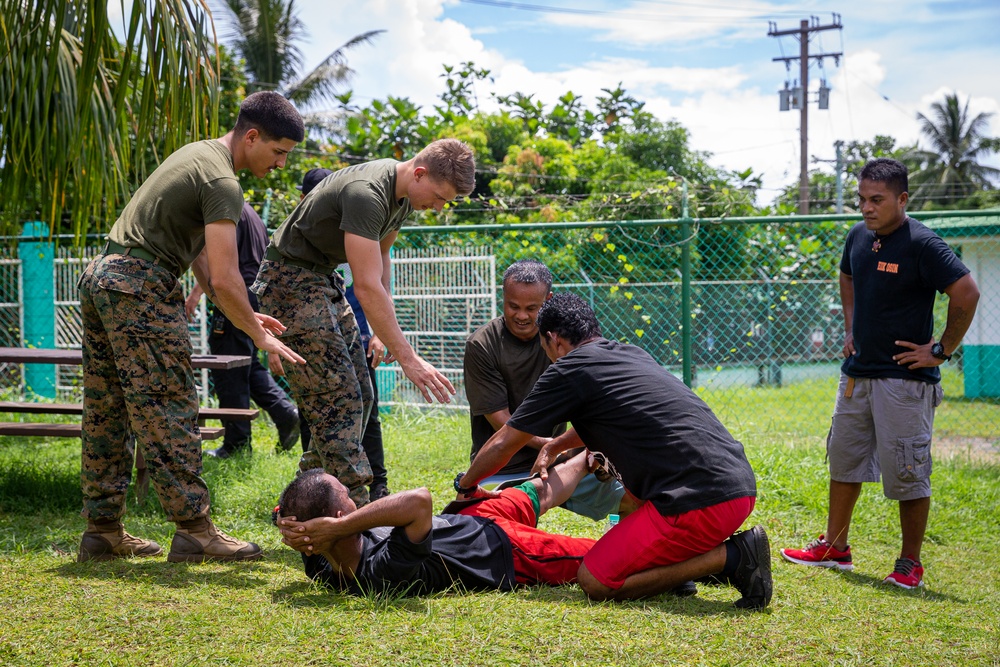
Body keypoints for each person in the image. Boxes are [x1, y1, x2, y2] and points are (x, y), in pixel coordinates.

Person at [77, 91, 306, 563]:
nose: (281, 164)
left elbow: (204, 260)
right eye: (278, 152)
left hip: (104, 275)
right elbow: (226, 276)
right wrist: (259, 336)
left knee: (108, 409)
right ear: (252, 136)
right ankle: (196, 530)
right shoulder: (223, 182)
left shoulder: (198, 155)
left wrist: (243, 314)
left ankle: (102, 531)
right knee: (169, 408)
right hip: (139, 285)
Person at [455, 293, 772, 609]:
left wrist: (466, 485)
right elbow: (616, 412)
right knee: (632, 495)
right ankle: (682, 567)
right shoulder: (628, 353)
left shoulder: (569, 369)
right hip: (736, 485)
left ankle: (732, 557)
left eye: (544, 346)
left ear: (554, 340)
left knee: (596, 579)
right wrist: (555, 444)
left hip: (700, 503)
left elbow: (504, 441)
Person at [780, 158, 980, 589]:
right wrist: (850, 328)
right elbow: (847, 275)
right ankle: (835, 547)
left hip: (904, 382)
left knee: (908, 470)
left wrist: (941, 349)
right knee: (845, 459)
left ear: (902, 199)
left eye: (877, 200)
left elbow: (967, 291)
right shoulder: (858, 236)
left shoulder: (923, 244)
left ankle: (909, 563)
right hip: (856, 375)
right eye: (862, 199)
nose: (867, 208)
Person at [252, 140, 476, 508]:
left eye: (446, 202)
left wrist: (378, 332)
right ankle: (354, 515)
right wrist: (409, 359)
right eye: (438, 197)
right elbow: (366, 287)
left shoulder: (402, 197)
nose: (438, 207)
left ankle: (305, 502)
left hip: (321, 280)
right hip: (290, 281)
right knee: (338, 401)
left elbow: (381, 261)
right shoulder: (367, 193)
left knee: (361, 394)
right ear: (419, 173)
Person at [275, 450, 600, 595]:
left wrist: (293, 529)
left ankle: (592, 456)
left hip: (467, 517)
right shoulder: (377, 574)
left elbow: (284, 511)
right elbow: (418, 502)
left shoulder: (318, 560)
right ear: (337, 521)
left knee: (542, 488)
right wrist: (337, 529)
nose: (353, 497)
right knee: (601, 558)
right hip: (505, 552)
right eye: (347, 494)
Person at [463, 259, 635, 520]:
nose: (521, 316)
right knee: (491, 532)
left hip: (563, 463)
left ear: (548, 300)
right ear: (503, 297)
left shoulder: (563, 339)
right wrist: (553, 446)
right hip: (503, 467)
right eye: (513, 306)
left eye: (532, 308)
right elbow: (501, 421)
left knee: (638, 499)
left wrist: (588, 449)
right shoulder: (482, 345)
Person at [294, 168, 390, 502]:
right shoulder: (305, 237)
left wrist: (379, 333)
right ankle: (312, 492)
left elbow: (375, 280)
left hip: (357, 335)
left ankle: (376, 483)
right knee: (318, 412)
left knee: (366, 407)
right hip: (314, 335)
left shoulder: (362, 222)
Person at [185, 202, 301, 459]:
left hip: (235, 295)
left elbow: (210, 258)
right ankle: (285, 413)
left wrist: (204, 296)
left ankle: (236, 444)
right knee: (244, 364)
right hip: (254, 293)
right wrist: (198, 293)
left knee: (228, 367)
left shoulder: (220, 208)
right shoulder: (249, 212)